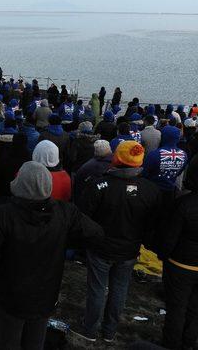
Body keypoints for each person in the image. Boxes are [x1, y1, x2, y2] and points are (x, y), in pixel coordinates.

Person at [0, 161, 102, 350]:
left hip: (14, 295)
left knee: (9, 342)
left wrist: (65, 243)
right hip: (43, 293)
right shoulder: (62, 212)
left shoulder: (7, 214)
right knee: (34, 342)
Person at [74, 141, 161, 343]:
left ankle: (90, 329)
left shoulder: (99, 185)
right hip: (129, 249)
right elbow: (153, 223)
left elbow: (83, 216)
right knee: (119, 290)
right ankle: (109, 331)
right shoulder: (151, 190)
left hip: (101, 248)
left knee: (97, 289)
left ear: (116, 158)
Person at [157, 155, 198, 349]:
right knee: (193, 309)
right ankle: (188, 342)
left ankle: (172, 343)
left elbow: (170, 237)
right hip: (184, 262)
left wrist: (162, 254)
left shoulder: (184, 204)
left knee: (177, 308)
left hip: (181, 265)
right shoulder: (184, 203)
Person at [72, 140, 113, 204]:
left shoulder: (86, 167)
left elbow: (78, 186)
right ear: (110, 150)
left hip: (87, 203)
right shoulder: (116, 165)